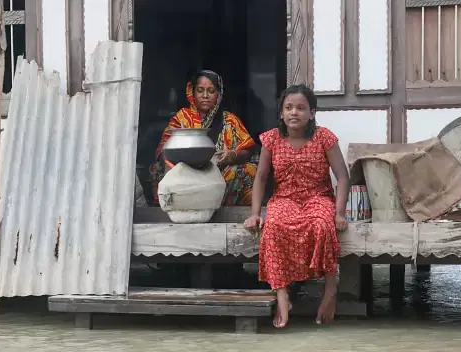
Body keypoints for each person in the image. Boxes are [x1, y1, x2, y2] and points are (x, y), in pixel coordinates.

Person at [244, 84, 350, 329]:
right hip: (284, 199)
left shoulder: (324, 137)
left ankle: (330, 290)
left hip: (317, 198)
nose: (294, 113)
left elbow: (342, 177)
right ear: (281, 112)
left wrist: (340, 213)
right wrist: (254, 214)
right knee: (273, 228)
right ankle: (282, 295)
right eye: (288, 108)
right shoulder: (271, 139)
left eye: (301, 108)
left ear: (312, 112)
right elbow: (260, 177)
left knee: (323, 226)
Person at [150, 70, 258, 206]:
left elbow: (248, 150)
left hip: (218, 176)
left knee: (249, 169)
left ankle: (224, 209)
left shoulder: (230, 120)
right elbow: (163, 149)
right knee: (158, 169)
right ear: (193, 93)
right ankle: (178, 206)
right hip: (185, 175)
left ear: (218, 95)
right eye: (200, 90)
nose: (205, 96)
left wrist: (232, 155)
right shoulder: (182, 118)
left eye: (211, 91)